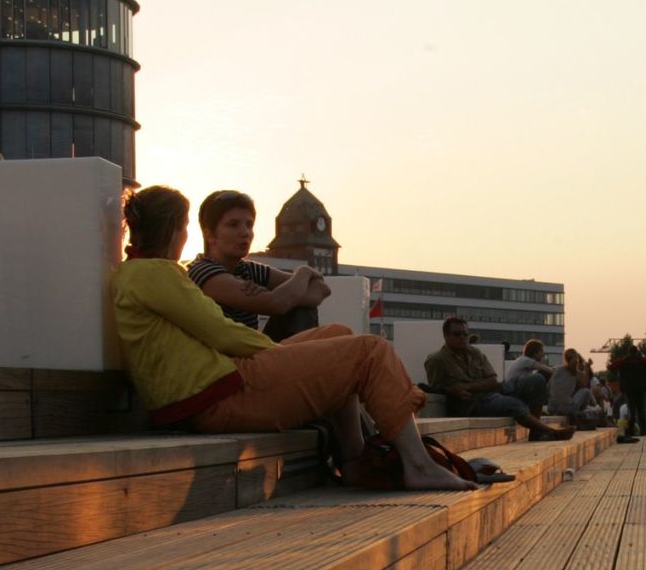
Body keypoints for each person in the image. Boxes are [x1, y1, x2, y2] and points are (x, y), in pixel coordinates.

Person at [112, 186, 470, 491]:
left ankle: (354, 458)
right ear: (177, 229)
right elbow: (221, 331)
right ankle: (418, 466)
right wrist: (276, 356)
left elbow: (303, 297)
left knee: (339, 335)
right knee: (369, 350)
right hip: (220, 396)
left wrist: (292, 355)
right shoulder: (155, 275)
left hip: (217, 386)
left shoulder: (144, 275)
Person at [187, 189, 330, 341]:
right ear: (210, 235)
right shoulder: (202, 270)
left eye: (249, 225)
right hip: (225, 361)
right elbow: (277, 304)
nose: (245, 232)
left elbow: (321, 289)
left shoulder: (248, 269)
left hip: (252, 353)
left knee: (300, 307)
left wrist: (282, 295)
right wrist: (304, 272)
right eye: (233, 225)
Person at [425, 317, 571, 441]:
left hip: (493, 391)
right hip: (473, 404)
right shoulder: (437, 359)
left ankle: (536, 433)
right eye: (457, 334)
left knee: (537, 380)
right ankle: (550, 432)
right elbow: (436, 388)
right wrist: (455, 391)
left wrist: (468, 387)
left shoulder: (474, 352)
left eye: (465, 334)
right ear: (446, 335)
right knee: (513, 404)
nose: (462, 338)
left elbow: (492, 380)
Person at [614, 344, 646, 441]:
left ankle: (631, 431)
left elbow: (611, 366)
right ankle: (643, 431)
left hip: (629, 390)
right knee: (641, 411)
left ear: (629, 352)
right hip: (641, 389)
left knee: (631, 411)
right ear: (637, 352)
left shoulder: (625, 361)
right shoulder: (642, 360)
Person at [500, 339, 554, 414]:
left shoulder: (522, 359)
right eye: (541, 351)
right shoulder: (527, 360)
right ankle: (538, 413)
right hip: (512, 390)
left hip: (512, 389)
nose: (543, 354)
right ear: (535, 352)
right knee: (540, 377)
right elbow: (549, 370)